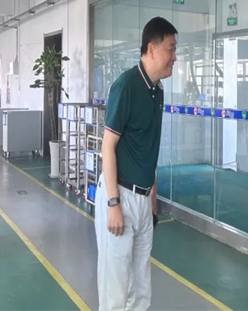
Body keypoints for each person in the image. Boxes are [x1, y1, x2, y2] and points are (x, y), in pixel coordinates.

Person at [95, 16, 177, 310]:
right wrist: (113, 204)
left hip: (143, 201)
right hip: (119, 195)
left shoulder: (157, 91)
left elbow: (147, 147)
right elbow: (108, 145)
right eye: (171, 49)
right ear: (152, 48)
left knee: (141, 289)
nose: (175, 56)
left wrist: (152, 200)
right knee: (116, 290)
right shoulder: (126, 85)